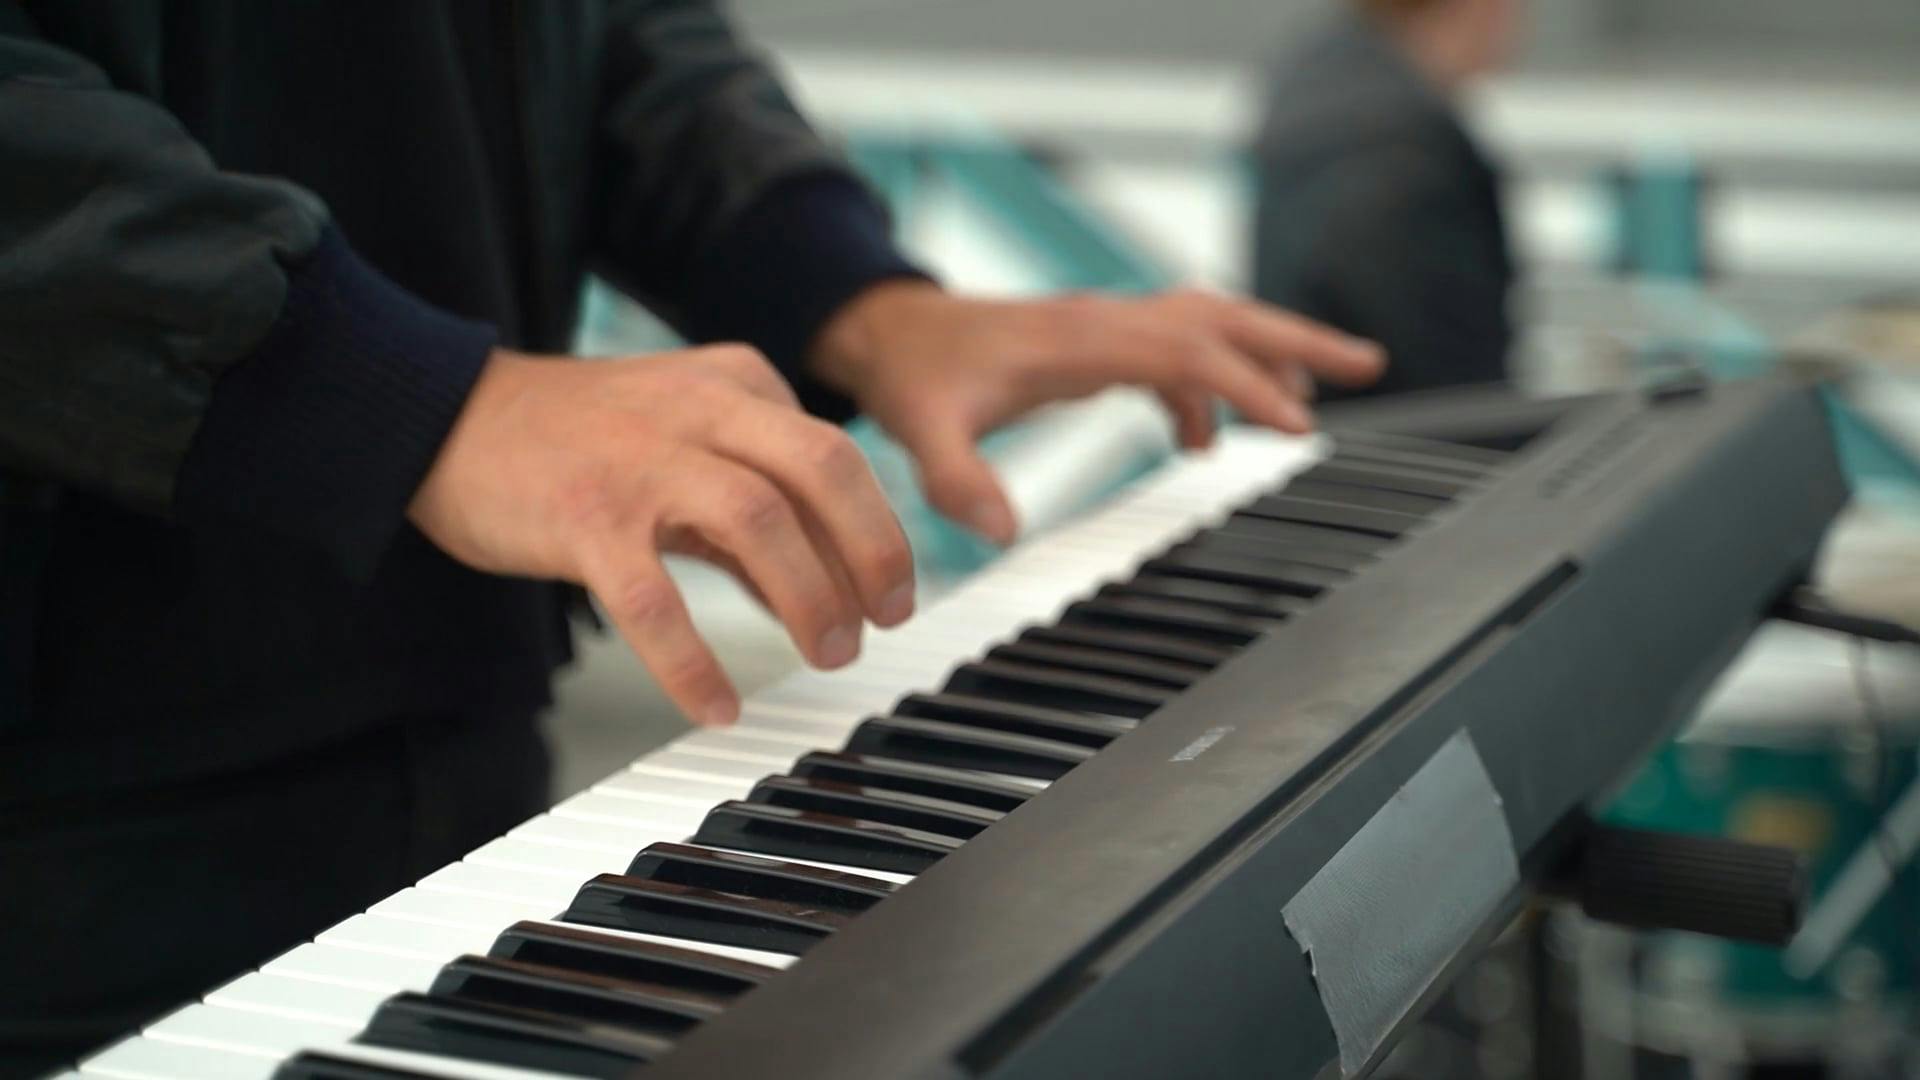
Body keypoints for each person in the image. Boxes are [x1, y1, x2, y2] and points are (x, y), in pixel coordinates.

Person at [0, 2, 1382, 1072]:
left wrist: (858, 297)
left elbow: (609, 36)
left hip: (458, 736)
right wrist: (396, 395)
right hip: (71, 823)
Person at [1252, 0, 1521, 398]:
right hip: (1389, 423)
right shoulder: (1402, 148)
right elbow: (1448, 380)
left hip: (1317, 410)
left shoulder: (1323, 76)